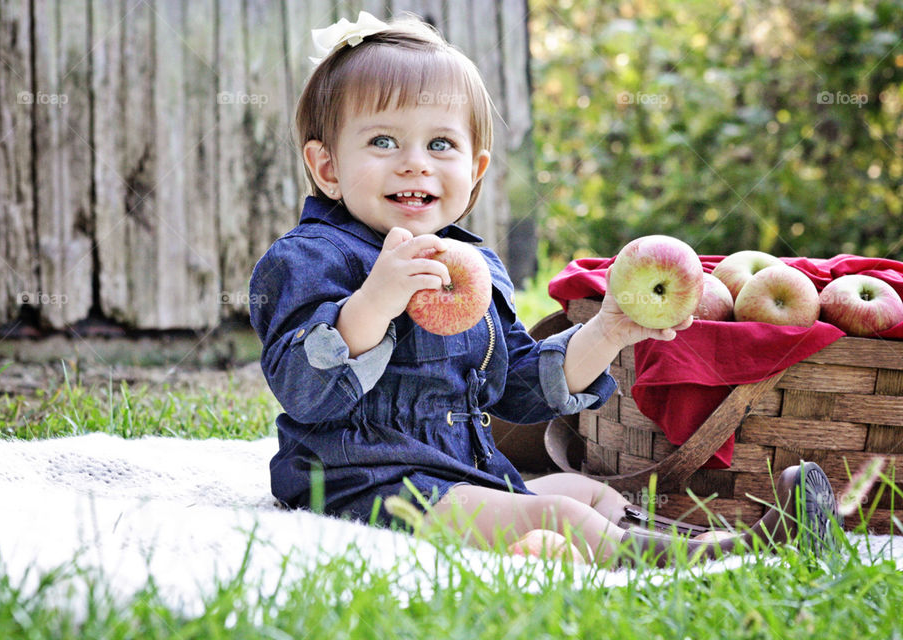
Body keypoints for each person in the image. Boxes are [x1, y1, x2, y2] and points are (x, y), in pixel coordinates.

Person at [248, 11, 841, 565]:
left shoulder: (472, 265)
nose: (414, 164)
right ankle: (729, 553)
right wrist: (375, 300)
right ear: (327, 167)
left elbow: (523, 390)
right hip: (361, 481)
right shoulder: (308, 258)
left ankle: (697, 536)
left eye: (440, 144)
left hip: (464, 471)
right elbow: (304, 391)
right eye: (383, 142)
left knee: (589, 495)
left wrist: (608, 330)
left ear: (474, 172)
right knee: (555, 513)